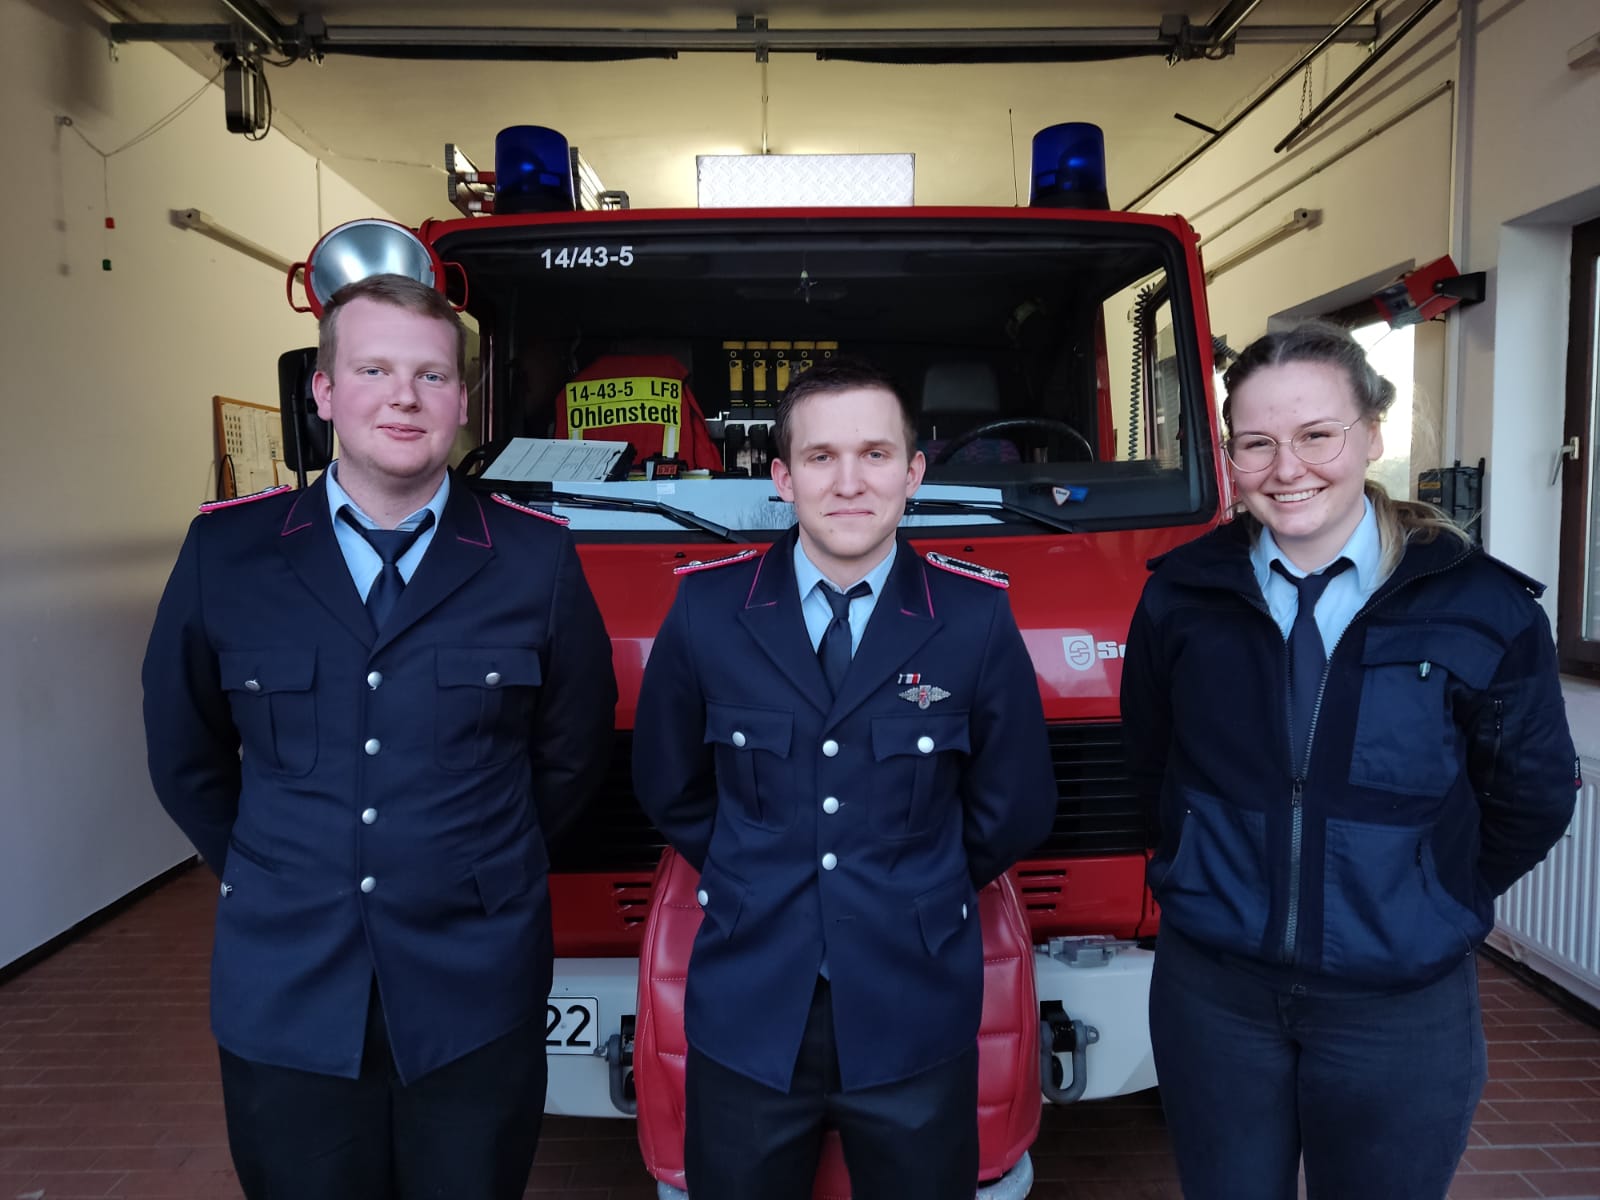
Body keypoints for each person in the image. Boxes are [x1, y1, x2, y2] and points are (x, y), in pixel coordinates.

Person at [141, 273, 617, 1200]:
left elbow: (572, 753)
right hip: (287, 981)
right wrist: (276, 866)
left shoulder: (537, 558)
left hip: (474, 983)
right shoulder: (225, 555)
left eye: (431, 376)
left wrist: (474, 864)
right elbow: (184, 753)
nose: (404, 397)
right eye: (373, 370)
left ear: (463, 402)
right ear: (323, 392)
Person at [1121, 320, 1578, 1200]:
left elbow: (1532, 795)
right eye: (1256, 443)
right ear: (1229, 455)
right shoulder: (1181, 594)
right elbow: (1152, 763)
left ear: (1372, 433)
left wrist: (1428, 893)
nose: (1287, 468)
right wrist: (1202, 868)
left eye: (1317, 435)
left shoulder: (1480, 604)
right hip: (1216, 996)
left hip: (1399, 1005)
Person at [632, 357, 1056, 1200]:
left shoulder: (973, 619)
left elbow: (1015, 805)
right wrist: (755, 874)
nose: (850, 482)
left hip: (913, 1002)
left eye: (875, 454)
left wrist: (916, 884)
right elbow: (668, 784)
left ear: (914, 472)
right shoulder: (707, 613)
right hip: (750, 1002)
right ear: (783, 478)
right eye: (821, 457)